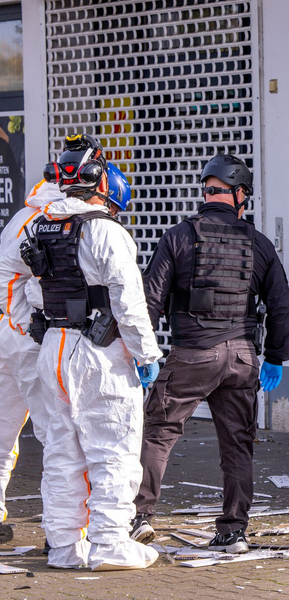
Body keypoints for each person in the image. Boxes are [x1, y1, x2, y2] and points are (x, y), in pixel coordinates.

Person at [0, 133, 162, 570]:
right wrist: (146, 355)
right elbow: (128, 302)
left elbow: (18, 286)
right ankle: (110, 544)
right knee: (113, 446)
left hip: (53, 346)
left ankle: (67, 548)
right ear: (100, 181)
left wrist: (31, 328)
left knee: (62, 451)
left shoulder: (36, 225)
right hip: (101, 352)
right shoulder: (106, 231)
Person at [132, 154, 289, 553]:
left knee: (159, 433)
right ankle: (234, 530)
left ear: (207, 191)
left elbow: (150, 298)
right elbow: (281, 304)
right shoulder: (259, 244)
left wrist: (142, 351)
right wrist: (275, 356)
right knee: (237, 444)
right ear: (240, 195)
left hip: (193, 353)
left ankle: (139, 517)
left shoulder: (179, 236)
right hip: (241, 357)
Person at [0, 181, 66, 544]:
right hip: (29, 337)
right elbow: (42, 286)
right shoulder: (52, 221)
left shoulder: (24, 215)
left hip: (6, 330)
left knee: (2, 433)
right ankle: (61, 531)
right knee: (57, 435)